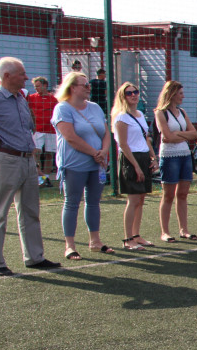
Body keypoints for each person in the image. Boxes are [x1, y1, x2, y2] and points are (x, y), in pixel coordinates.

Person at [0, 57, 61, 275]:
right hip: (7, 159)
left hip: (27, 160)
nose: (26, 78)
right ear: (7, 76)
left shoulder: (20, 97)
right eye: (21, 73)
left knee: (30, 210)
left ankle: (34, 257)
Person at [51, 70, 114, 260]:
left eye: (89, 85)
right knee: (72, 203)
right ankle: (69, 245)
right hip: (74, 163)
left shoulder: (94, 107)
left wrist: (103, 152)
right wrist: (94, 153)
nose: (89, 88)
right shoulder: (62, 108)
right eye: (84, 85)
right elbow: (70, 137)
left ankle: (95, 240)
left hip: (98, 163)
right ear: (72, 88)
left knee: (93, 202)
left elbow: (105, 133)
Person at [111, 82, 158, 251]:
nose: (133, 95)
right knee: (133, 200)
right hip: (131, 159)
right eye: (129, 93)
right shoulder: (121, 117)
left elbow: (146, 139)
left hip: (143, 156)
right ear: (123, 96)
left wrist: (153, 157)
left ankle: (136, 235)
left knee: (141, 198)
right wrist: (136, 166)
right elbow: (123, 144)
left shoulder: (139, 114)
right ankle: (127, 238)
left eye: (135, 92)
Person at [153, 80, 197, 242]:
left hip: (185, 155)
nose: (183, 96)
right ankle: (165, 231)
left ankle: (184, 229)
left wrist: (178, 134)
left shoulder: (182, 112)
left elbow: (194, 134)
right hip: (169, 157)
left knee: (183, 194)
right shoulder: (160, 112)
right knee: (168, 195)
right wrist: (182, 134)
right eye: (180, 93)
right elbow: (166, 137)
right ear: (171, 94)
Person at [27, 76, 58, 186]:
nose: (36, 88)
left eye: (38, 86)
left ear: (45, 85)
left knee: (49, 154)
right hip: (38, 130)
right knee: (36, 153)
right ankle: (39, 176)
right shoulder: (31, 98)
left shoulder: (53, 99)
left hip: (50, 130)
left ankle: (46, 178)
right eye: (35, 87)